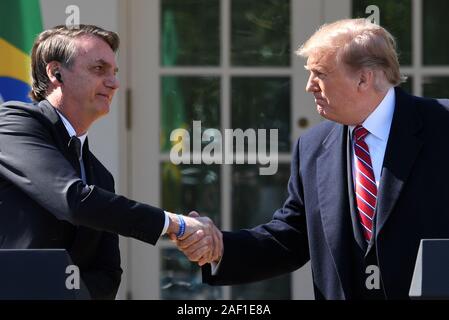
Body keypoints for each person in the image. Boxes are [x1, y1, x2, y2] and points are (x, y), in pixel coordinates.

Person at [177, 18, 449, 299]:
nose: (309, 86)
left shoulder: (442, 126)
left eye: (320, 73)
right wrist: (220, 247)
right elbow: (290, 238)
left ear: (363, 78)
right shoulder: (313, 146)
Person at [0, 25, 220, 300]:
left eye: (114, 73)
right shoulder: (12, 124)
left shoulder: (100, 176)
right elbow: (72, 200)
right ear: (56, 73)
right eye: (99, 69)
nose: (114, 83)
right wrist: (177, 224)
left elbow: (108, 273)